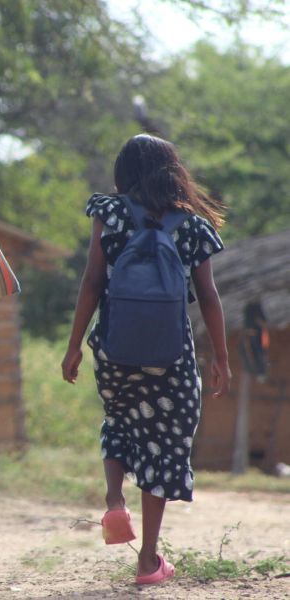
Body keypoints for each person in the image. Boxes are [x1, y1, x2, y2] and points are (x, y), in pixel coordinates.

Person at [61, 134, 231, 585]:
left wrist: (74, 344)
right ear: (172, 170)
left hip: (115, 347)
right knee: (165, 443)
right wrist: (221, 358)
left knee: (119, 420)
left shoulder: (109, 212)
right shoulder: (192, 226)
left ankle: (115, 501)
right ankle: (148, 560)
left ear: (125, 172)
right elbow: (210, 298)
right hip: (171, 356)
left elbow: (92, 281)